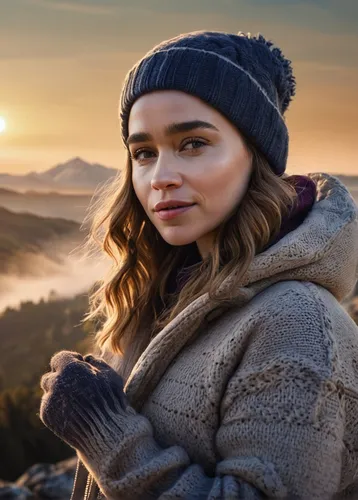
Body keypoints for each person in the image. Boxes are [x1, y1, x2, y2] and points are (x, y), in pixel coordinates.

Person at [39, 30, 358, 499]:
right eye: (143, 153)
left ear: (256, 155)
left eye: (192, 143)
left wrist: (106, 434)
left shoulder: (298, 322)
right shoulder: (166, 290)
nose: (161, 177)